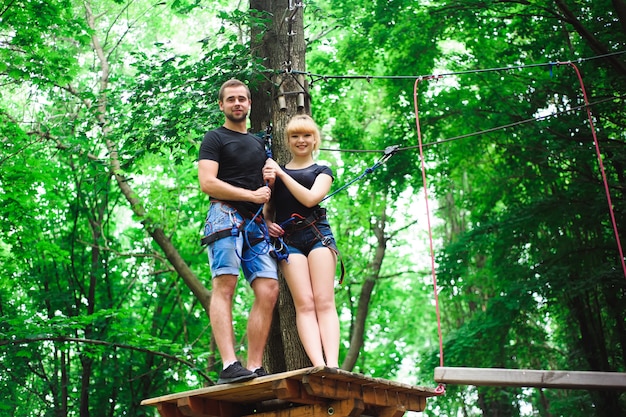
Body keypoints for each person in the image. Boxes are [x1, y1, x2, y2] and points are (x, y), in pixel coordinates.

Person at [198, 79, 279, 384]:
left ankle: (255, 365)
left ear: (249, 104)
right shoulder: (214, 139)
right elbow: (207, 182)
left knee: (269, 290)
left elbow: (265, 190)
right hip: (224, 216)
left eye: (242, 99)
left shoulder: (260, 144)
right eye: (230, 99)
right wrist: (251, 197)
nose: (237, 104)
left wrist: (268, 210)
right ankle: (230, 364)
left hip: (257, 222)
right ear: (221, 105)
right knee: (225, 287)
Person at [263, 114, 340, 368]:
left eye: (307, 135)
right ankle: (319, 365)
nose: (301, 140)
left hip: (318, 234)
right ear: (288, 140)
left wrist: (282, 175)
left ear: (315, 139)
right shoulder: (275, 174)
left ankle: (333, 364)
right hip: (289, 241)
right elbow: (267, 209)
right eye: (295, 136)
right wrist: (267, 223)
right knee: (304, 304)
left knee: (324, 301)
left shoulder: (322, 171)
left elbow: (310, 199)